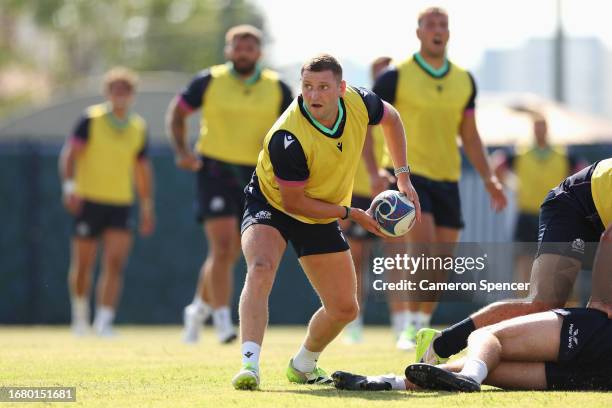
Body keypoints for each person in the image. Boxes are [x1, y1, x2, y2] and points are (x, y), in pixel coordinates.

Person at [231, 54, 421, 390]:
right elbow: (295, 202)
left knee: (345, 308)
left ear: (341, 88)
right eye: (307, 87)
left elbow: (392, 119)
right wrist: (351, 214)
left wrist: (402, 177)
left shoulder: (359, 101)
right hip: (272, 204)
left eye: (322, 87)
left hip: (320, 210)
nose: (314, 94)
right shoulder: (287, 136)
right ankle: (250, 364)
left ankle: (303, 364)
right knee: (260, 267)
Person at [369, 6, 507, 350]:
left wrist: (489, 179)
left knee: (441, 262)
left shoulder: (464, 79)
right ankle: (406, 324)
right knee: (423, 248)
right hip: (407, 177)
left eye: (443, 24)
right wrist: (373, 172)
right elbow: (363, 126)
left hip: (448, 178)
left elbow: (471, 136)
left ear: (449, 32)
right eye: (430, 24)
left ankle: (419, 325)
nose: (437, 29)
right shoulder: (394, 76)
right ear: (418, 32)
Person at [415, 158, 612, 367]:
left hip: (599, 217)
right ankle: (442, 344)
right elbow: (609, 238)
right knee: (543, 304)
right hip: (571, 207)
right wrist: (600, 303)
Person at [165, 25, 293, 344]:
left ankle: (196, 309)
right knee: (222, 248)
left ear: (259, 52)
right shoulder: (209, 80)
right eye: (238, 45)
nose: (243, 51)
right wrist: (182, 151)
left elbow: (297, 128)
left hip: (258, 176)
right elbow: (177, 113)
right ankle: (223, 322)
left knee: (233, 252)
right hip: (215, 171)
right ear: (228, 50)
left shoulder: (277, 87)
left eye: (250, 46)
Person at [59, 67, 155, 337]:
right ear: (108, 93)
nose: (120, 96)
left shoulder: (138, 127)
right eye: (116, 90)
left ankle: (104, 321)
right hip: (88, 201)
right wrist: (70, 188)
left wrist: (146, 205)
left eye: (126, 90)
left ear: (132, 95)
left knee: (114, 263)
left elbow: (141, 169)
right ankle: (80, 318)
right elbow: (69, 155)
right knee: (83, 264)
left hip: (120, 203)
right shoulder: (91, 119)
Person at [333, 306, 612, 391]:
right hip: (604, 379)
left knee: (486, 335)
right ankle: (390, 382)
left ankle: (470, 377)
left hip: (600, 333)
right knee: (488, 365)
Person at [492, 115, 584, 295]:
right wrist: (504, 187)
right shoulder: (521, 153)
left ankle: (567, 308)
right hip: (528, 214)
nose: (539, 130)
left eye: (542, 126)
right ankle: (524, 305)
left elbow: (582, 169)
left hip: (556, 216)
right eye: (536, 126)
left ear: (547, 129)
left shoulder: (563, 154)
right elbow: (497, 164)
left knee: (562, 262)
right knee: (525, 263)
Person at [340, 56, 394, 344]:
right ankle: (354, 322)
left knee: (398, 259)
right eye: (380, 72)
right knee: (356, 260)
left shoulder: (402, 110)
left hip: (394, 192)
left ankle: (402, 326)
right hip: (360, 192)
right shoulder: (362, 108)